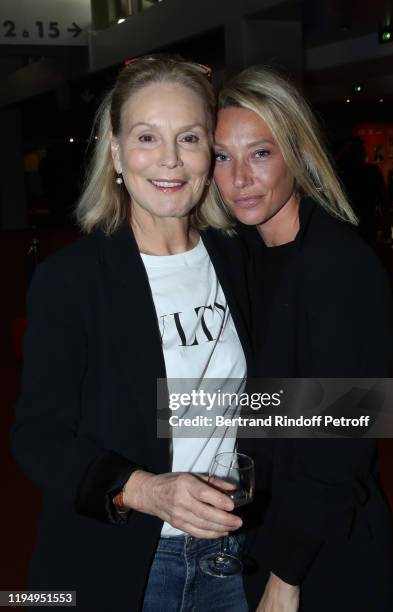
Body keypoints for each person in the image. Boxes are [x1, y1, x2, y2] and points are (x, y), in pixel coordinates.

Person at [11, 56, 252, 612]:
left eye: (188, 138)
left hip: (234, 556)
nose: (170, 159)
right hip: (122, 560)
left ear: (207, 153)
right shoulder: (71, 280)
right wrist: (145, 488)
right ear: (117, 153)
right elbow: (37, 437)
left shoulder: (240, 261)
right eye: (147, 137)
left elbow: (267, 403)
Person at [207, 65, 393, 612]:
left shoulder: (339, 266)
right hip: (262, 530)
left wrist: (286, 576)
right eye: (223, 156)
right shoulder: (244, 258)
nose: (240, 177)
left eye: (260, 153)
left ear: (298, 152)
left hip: (320, 549)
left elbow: (344, 436)